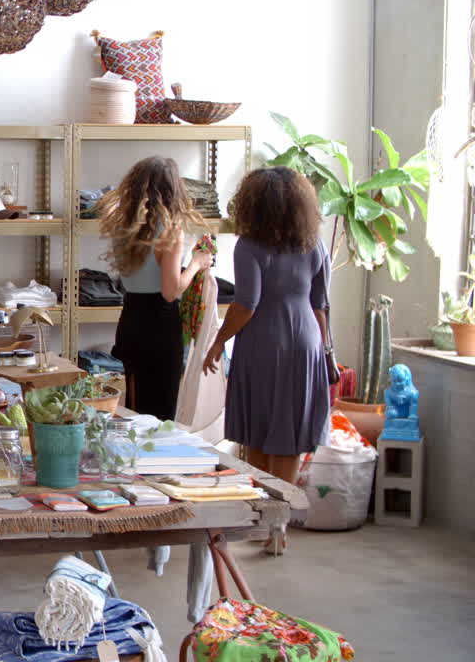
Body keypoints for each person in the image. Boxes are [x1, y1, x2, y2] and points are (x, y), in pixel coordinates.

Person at [203, 166, 330, 486]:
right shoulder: (314, 244)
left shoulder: (249, 246)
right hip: (306, 342)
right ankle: (280, 528)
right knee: (292, 435)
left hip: (263, 342)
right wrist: (325, 352)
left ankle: (261, 515)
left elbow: (246, 304)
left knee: (256, 431)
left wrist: (219, 341)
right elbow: (320, 306)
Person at [97, 157, 212, 420]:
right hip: (160, 327)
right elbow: (171, 292)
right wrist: (196, 263)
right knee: (159, 417)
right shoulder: (170, 230)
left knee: (135, 411)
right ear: (173, 189)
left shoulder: (123, 226)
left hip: (130, 323)